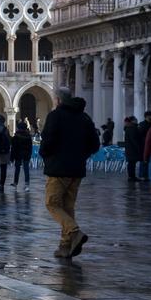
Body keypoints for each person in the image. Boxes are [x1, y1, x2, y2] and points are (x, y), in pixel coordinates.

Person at [39, 86, 99, 259]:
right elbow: (94, 145)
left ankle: (74, 231)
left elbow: (47, 141)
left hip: (58, 169)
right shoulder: (84, 117)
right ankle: (65, 247)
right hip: (77, 169)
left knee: (52, 204)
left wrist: (47, 156)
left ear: (58, 100)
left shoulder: (55, 116)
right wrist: (80, 156)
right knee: (67, 206)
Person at [10, 119, 33, 189]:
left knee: (17, 169)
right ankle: (27, 183)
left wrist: (12, 158)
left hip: (18, 155)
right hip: (26, 154)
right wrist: (29, 155)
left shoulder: (15, 137)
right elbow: (30, 147)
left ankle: (15, 182)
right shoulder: (28, 137)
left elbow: (13, 148)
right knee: (26, 169)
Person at [123, 114, 146, 182]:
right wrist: (139, 148)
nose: (137, 121)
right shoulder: (132, 128)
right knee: (132, 164)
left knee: (131, 164)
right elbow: (134, 139)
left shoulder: (129, 128)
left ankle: (132, 176)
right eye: (135, 120)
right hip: (133, 149)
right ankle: (131, 177)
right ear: (132, 121)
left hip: (130, 149)